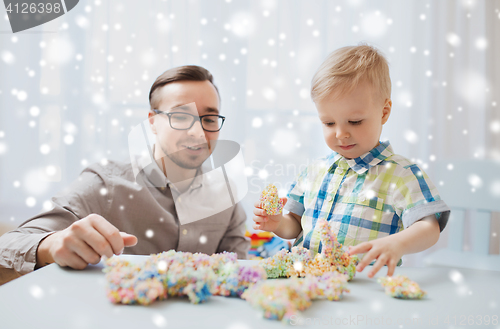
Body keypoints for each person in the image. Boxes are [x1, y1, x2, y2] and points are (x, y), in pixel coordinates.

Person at [0, 65, 249, 278]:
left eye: (209, 119)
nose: (198, 132)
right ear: (152, 122)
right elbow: (8, 244)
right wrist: (52, 244)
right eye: (181, 117)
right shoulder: (105, 184)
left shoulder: (226, 195)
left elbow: (237, 273)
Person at [253, 44, 450, 278]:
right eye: (328, 123)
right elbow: (295, 224)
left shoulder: (401, 174)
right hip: (306, 282)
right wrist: (277, 224)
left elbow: (429, 228)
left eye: (355, 122)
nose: (340, 134)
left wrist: (397, 244)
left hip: (363, 288)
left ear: (384, 112)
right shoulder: (314, 170)